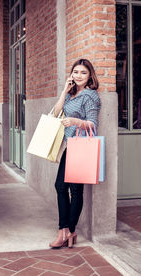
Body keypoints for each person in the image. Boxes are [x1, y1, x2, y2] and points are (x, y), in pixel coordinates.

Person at [49, 58, 101, 248]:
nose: (78, 76)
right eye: (76, 72)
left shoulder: (90, 96)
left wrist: (76, 122)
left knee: (75, 190)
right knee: (60, 186)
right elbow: (55, 113)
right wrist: (64, 90)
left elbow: (93, 125)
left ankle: (67, 231)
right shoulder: (71, 95)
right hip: (70, 146)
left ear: (90, 77)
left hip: (80, 147)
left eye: (83, 73)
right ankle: (66, 230)